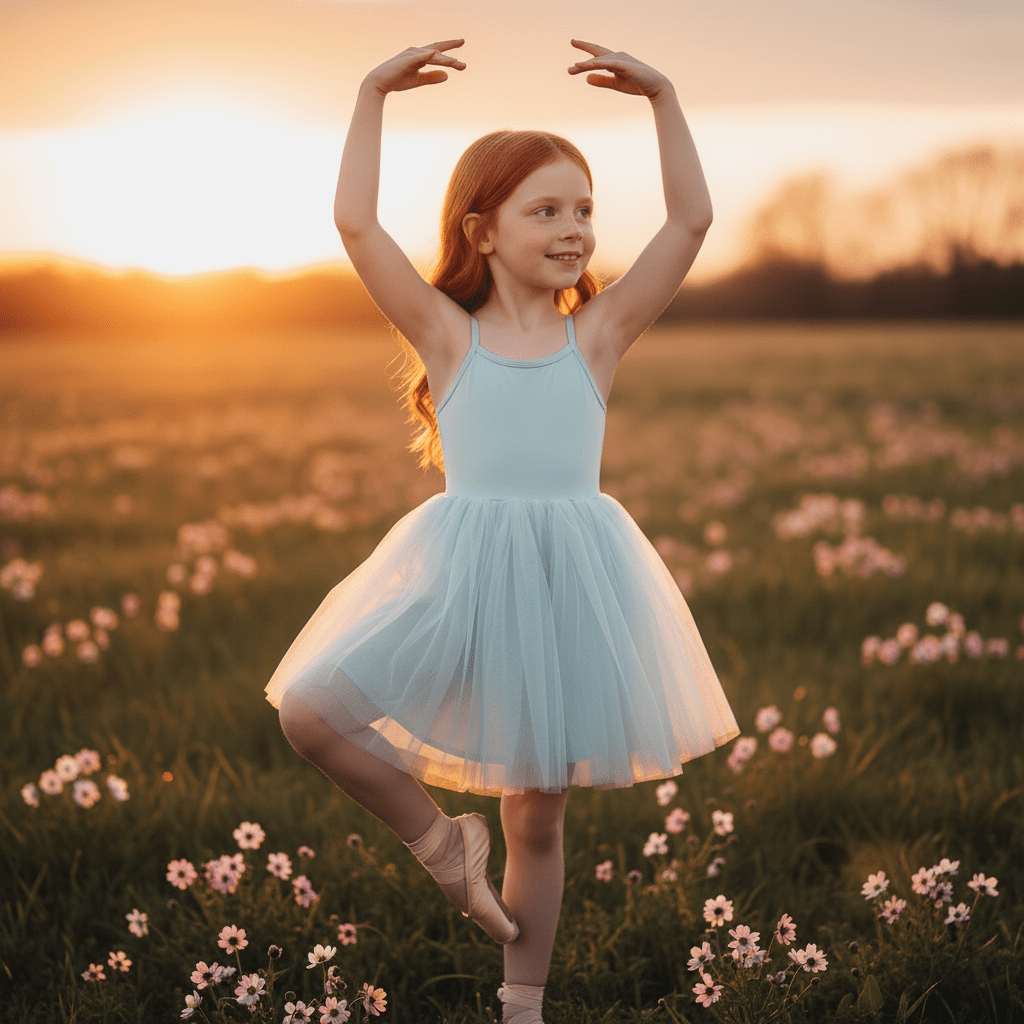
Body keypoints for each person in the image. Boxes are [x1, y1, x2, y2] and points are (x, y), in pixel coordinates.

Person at [267, 38, 739, 1024]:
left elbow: (692, 219)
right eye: (546, 210)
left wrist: (662, 95)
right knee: (308, 710)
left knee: (538, 813)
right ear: (481, 231)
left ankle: (520, 1007)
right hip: (461, 575)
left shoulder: (597, 336)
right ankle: (443, 845)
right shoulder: (446, 334)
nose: (573, 229)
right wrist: (368, 95)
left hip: (570, 578)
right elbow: (353, 223)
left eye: (583, 210)